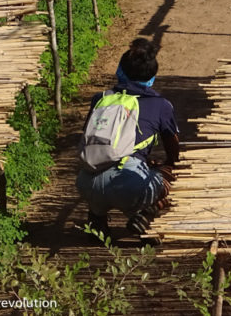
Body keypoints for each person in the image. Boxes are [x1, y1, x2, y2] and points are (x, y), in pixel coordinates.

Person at [76, 38, 179, 240]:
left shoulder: (101, 98)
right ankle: (145, 216)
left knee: (101, 191)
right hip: (129, 184)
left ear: (120, 70)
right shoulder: (161, 105)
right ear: (152, 75)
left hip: (86, 182)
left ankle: (97, 219)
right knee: (169, 176)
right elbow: (173, 148)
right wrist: (167, 166)